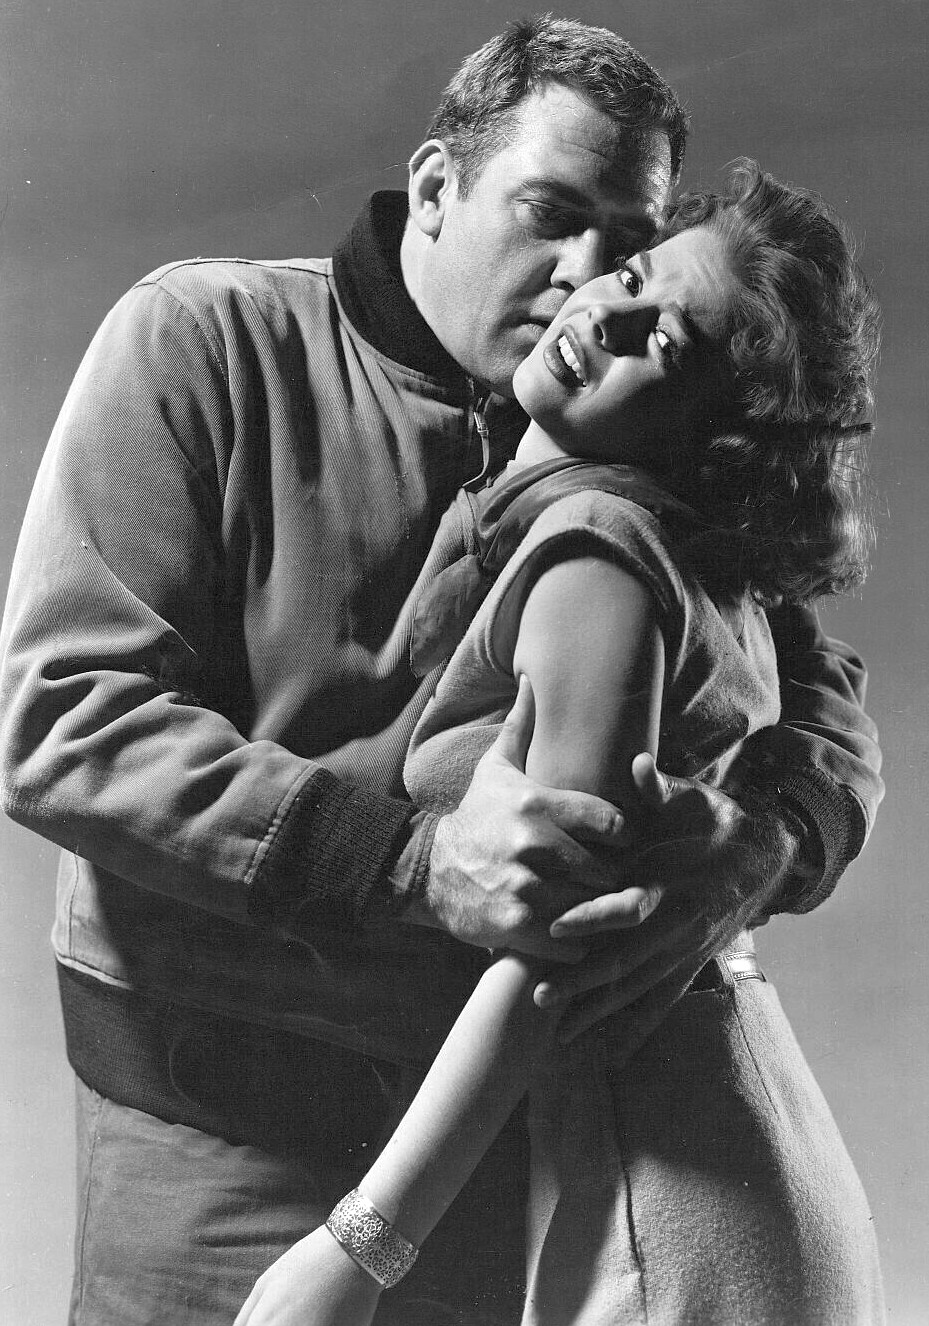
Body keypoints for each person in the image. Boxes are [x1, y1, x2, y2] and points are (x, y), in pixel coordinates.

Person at [0, 18, 882, 1326]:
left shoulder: (619, 419)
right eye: (551, 214)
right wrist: (409, 862)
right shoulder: (202, 334)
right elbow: (65, 719)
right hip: (212, 1122)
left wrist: (768, 842)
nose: (586, 277)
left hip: (475, 1138)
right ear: (432, 188)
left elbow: (803, 674)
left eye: (626, 241)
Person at [233, 162, 885, 1326]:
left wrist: (357, 1247)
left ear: (708, 439)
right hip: (719, 1147)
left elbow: (552, 951)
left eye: (663, 344)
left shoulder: (599, 555)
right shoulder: (662, 554)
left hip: (675, 1193)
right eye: (630, 282)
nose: (602, 317)